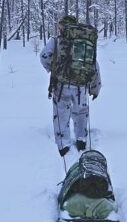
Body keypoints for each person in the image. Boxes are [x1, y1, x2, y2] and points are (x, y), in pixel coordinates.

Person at [40, 15, 101, 157]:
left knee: (61, 114)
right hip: (81, 86)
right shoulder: (85, 42)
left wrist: (53, 68)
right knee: (81, 112)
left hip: (61, 85)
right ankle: (81, 139)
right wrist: (95, 88)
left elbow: (44, 56)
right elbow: (94, 65)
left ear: (63, 26)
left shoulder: (56, 41)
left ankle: (63, 144)